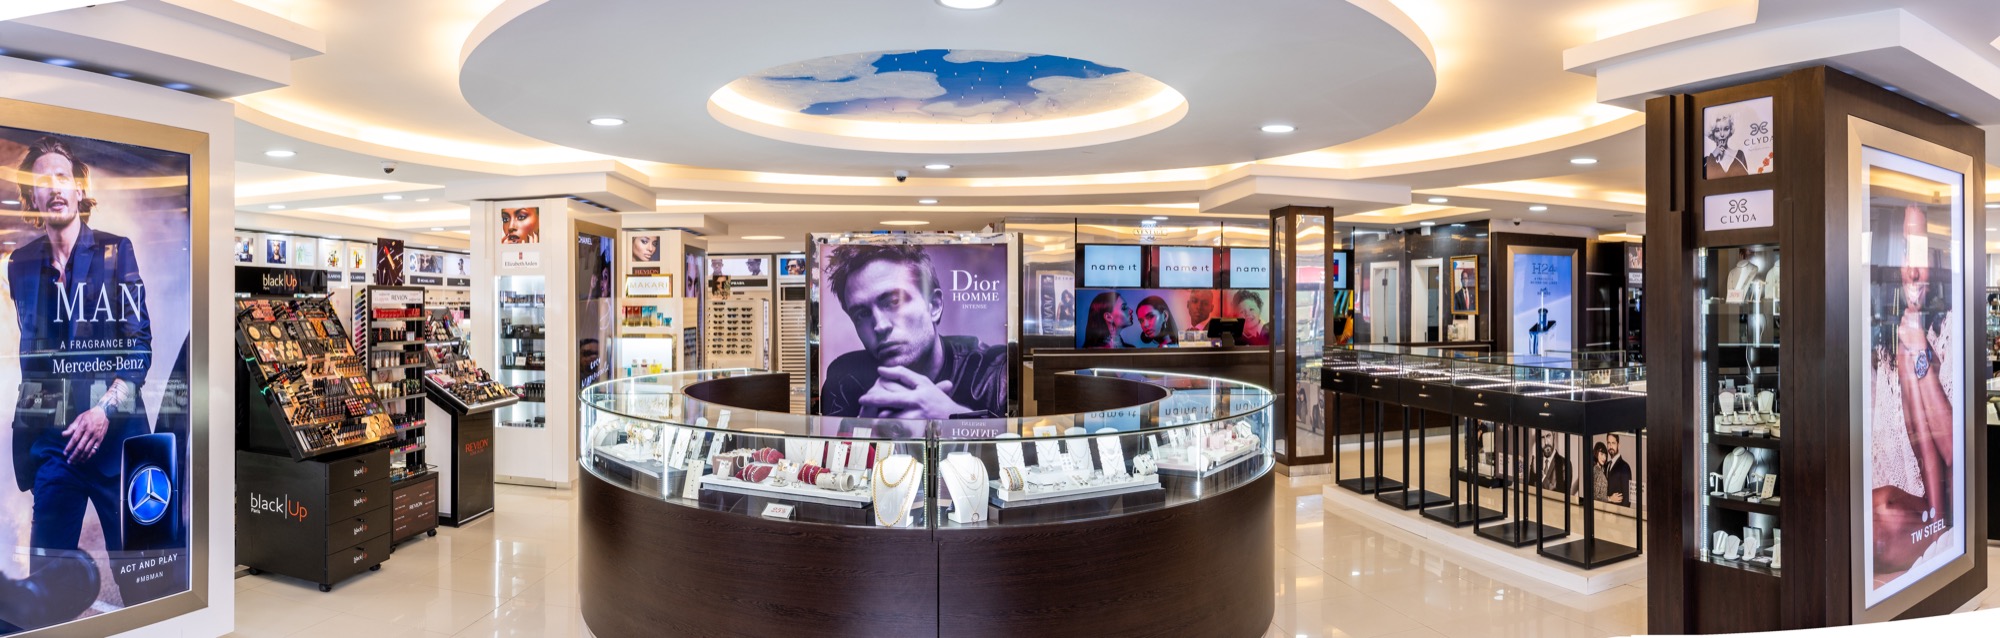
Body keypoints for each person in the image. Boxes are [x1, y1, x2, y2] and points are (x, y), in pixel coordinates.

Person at [7, 137, 153, 601]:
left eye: (62, 177)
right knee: (45, 586)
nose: (54, 187)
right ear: (31, 195)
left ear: (79, 189)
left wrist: (103, 410)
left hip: (117, 441)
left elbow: (138, 347)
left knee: (141, 577)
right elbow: (35, 354)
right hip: (54, 445)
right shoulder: (20, 264)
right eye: (42, 180)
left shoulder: (116, 250)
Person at [1869, 203, 1957, 579]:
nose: (1914, 270)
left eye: (1921, 252)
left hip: (1921, 520)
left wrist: (1920, 347)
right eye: (1906, 252)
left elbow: (1948, 448)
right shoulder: (1886, 341)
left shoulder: (1947, 329)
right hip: (1905, 517)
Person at [819, 245, 1007, 419]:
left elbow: (1016, 442)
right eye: (861, 314)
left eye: (894, 302)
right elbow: (828, 443)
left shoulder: (997, 372)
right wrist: (864, 431)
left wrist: (953, 419)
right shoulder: (845, 378)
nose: (880, 326)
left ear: (934, 306)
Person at [1603, 433, 1632, 505]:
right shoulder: (1606, 465)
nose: (1610, 446)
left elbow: (1627, 499)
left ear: (1618, 445)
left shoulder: (1624, 467)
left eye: (1613, 443)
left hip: (1617, 510)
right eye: (1608, 443)